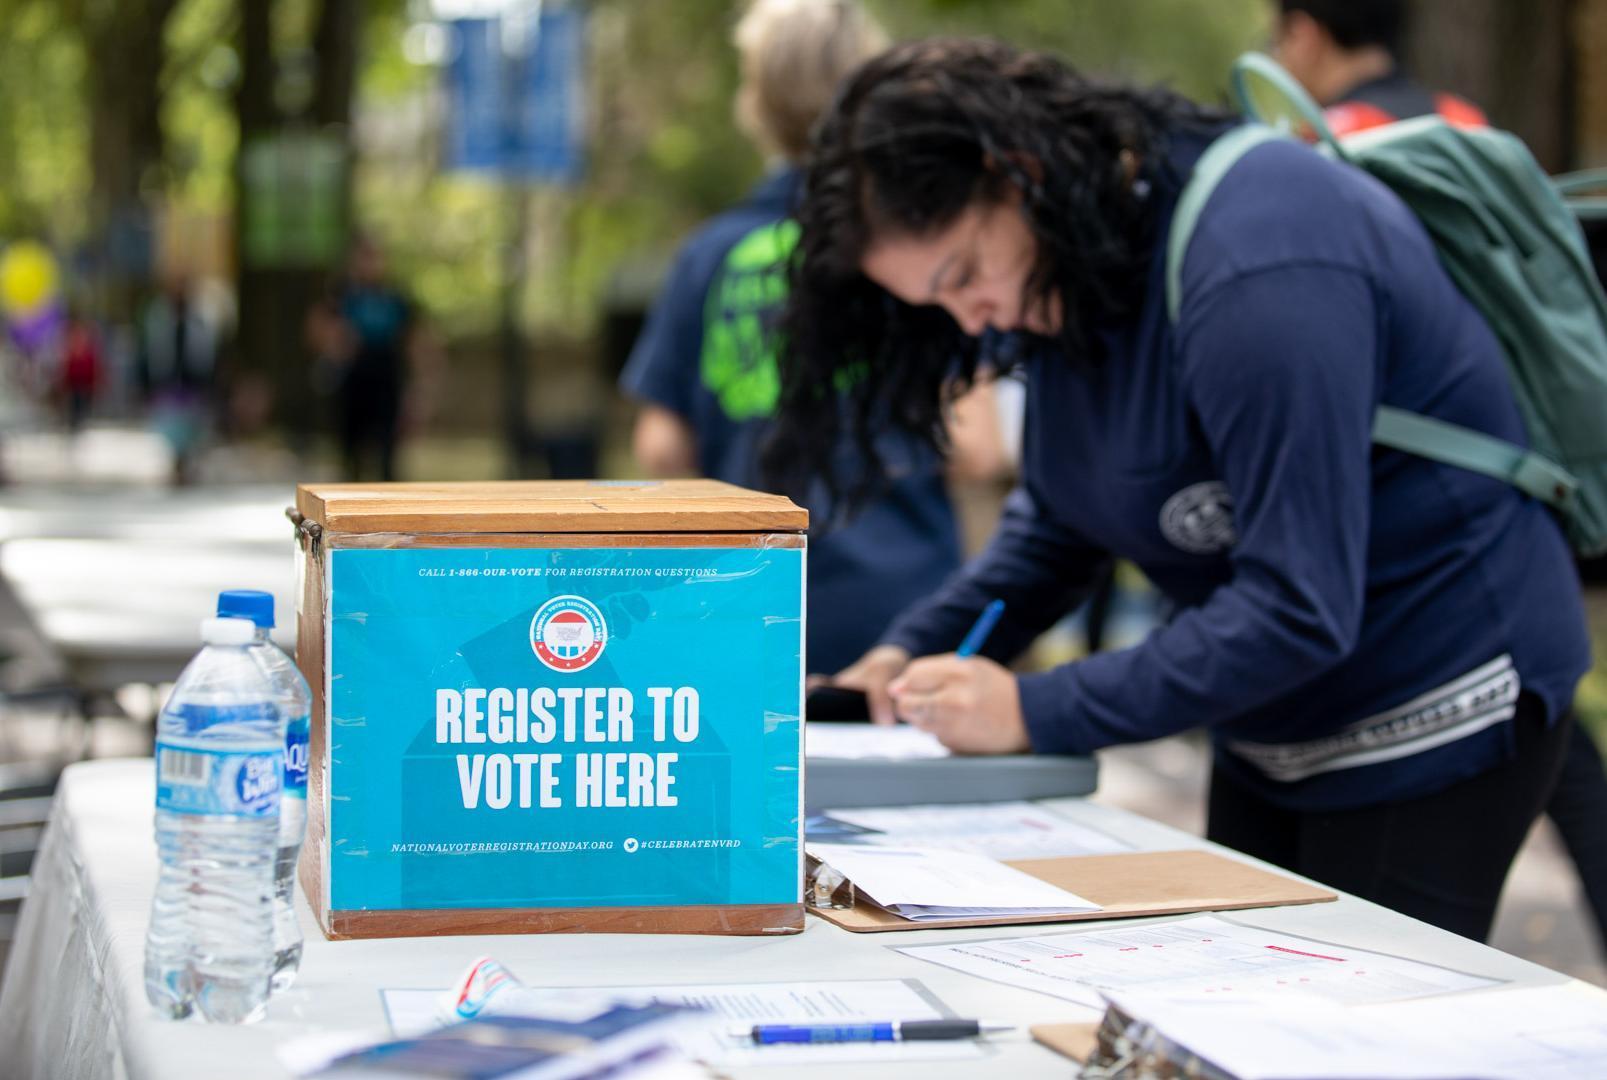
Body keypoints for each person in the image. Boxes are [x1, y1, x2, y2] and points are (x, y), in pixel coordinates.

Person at [774, 38, 1591, 942]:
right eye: (937, 306)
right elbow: (1057, 522)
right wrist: (905, 657)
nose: (972, 318)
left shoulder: (1260, 263)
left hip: (1434, 697)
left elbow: (1297, 606)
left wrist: (1035, 709)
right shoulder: (1072, 272)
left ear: (1022, 176)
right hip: (1268, 729)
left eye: (964, 274)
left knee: (1359, 1031)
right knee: (1246, 996)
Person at [1271, 0, 1607, 960]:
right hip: (1513, 471)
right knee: (1549, 734)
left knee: (1519, 733)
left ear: (1302, 33)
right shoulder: (1467, 122)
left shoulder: (1320, 150)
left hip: (1407, 504)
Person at [622, 0, 1001, 676]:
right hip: (903, 621)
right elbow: (977, 449)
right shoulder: (916, 244)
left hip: (748, 608)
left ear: (754, 104)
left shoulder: (708, 255)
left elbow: (660, 445)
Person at [309, 237, 428, 482]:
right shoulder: (342, 294)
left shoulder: (395, 297)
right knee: (350, 453)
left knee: (387, 454)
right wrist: (336, 348)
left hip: (387, 379)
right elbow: (318, 327)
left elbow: (416, 339)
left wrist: (420, 388)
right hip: (353, 380)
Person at [137, 269, 219, 484]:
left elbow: (207, 352)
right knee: (172, 426)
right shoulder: (158, 317)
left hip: (193, 383)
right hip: (167, 382)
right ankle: (177, 462)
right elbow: (150, 351)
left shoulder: (199, 318)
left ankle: (185, 463)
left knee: (190, 427)